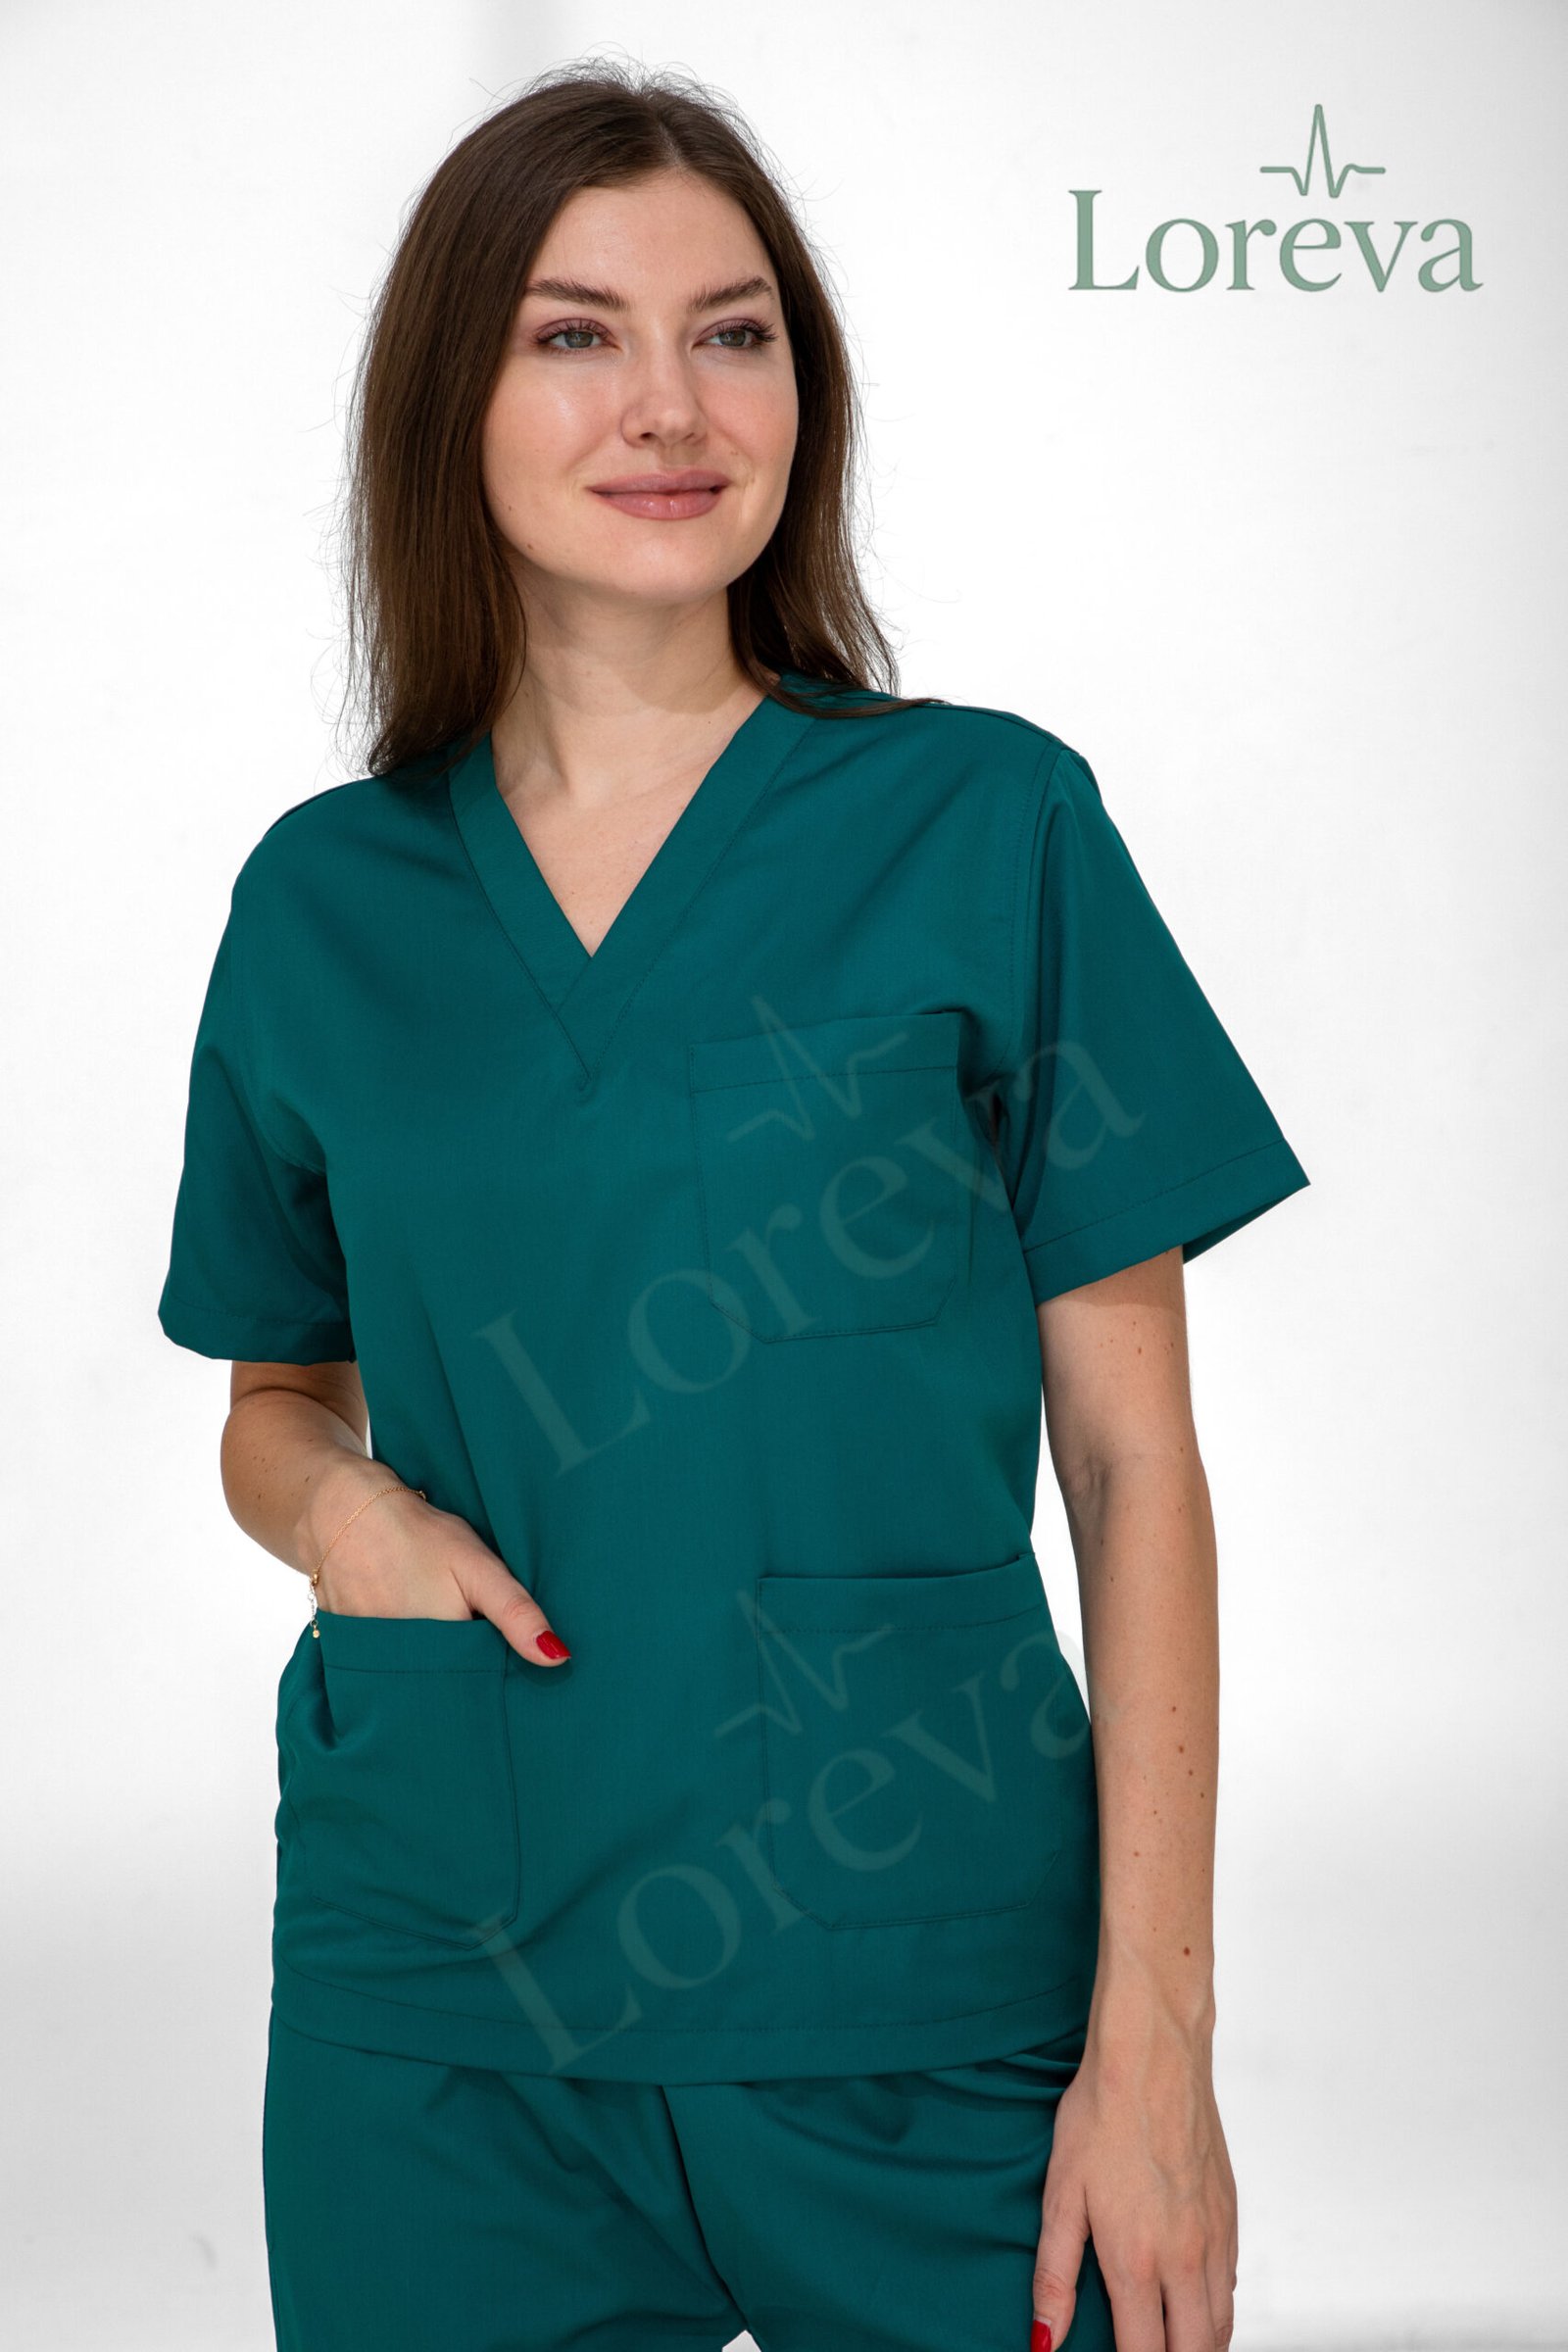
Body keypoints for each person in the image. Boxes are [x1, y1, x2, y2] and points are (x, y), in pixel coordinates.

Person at [156, 61, 1309, 2352]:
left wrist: (1154, 2048)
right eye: (574, 334)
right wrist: (342, 1515)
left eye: (734, 332)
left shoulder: (985, 826)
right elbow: (273, 1397)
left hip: (927, 1988)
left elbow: (1130, 1464)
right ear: (450, 400)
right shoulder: (323, 906)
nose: (669, 407)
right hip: (446, 2000)